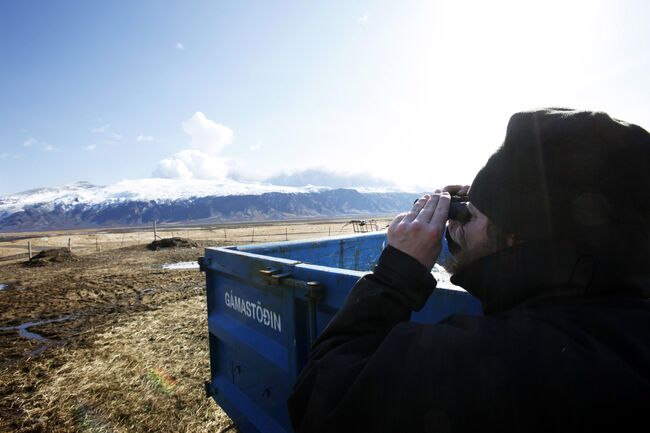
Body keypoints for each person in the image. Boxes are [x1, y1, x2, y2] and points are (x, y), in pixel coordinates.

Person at [287, 108, 650, 433]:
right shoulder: (622, 323)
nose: (457, 223)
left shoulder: (496, 365)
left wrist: (395, 275)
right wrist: (484, 205)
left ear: (514, 236)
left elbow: (319, 398)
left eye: (470, 215)